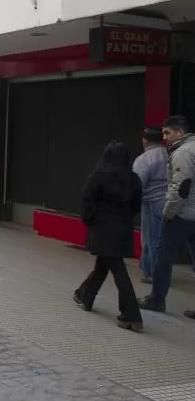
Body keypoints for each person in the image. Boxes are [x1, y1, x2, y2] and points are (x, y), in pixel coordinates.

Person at [73, 141, 144, 332]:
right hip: (123, 228)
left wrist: (89, 220)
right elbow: (137, 206)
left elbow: (87, 201)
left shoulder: (98, 176)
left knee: (117, 269)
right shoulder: (133, 179)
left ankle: (131, 315)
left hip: (102, 227)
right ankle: (84, 295)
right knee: (104, 264)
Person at [141, 116, 195, 317]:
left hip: (182, 215)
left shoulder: (183, 152)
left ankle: (157, 299)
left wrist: (168, 212)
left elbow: (181, 187)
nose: (164, 138)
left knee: (164, 258)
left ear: (180, 132)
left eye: (167, 133)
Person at [133, 127, 168, 284]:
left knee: (150, 239)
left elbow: (137, 184)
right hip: (170, 201)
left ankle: (152, 273)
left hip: (151, 202)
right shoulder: (169, 155)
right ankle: (160, 271)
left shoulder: (144, 159)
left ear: (145, 140)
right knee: (164, 239)